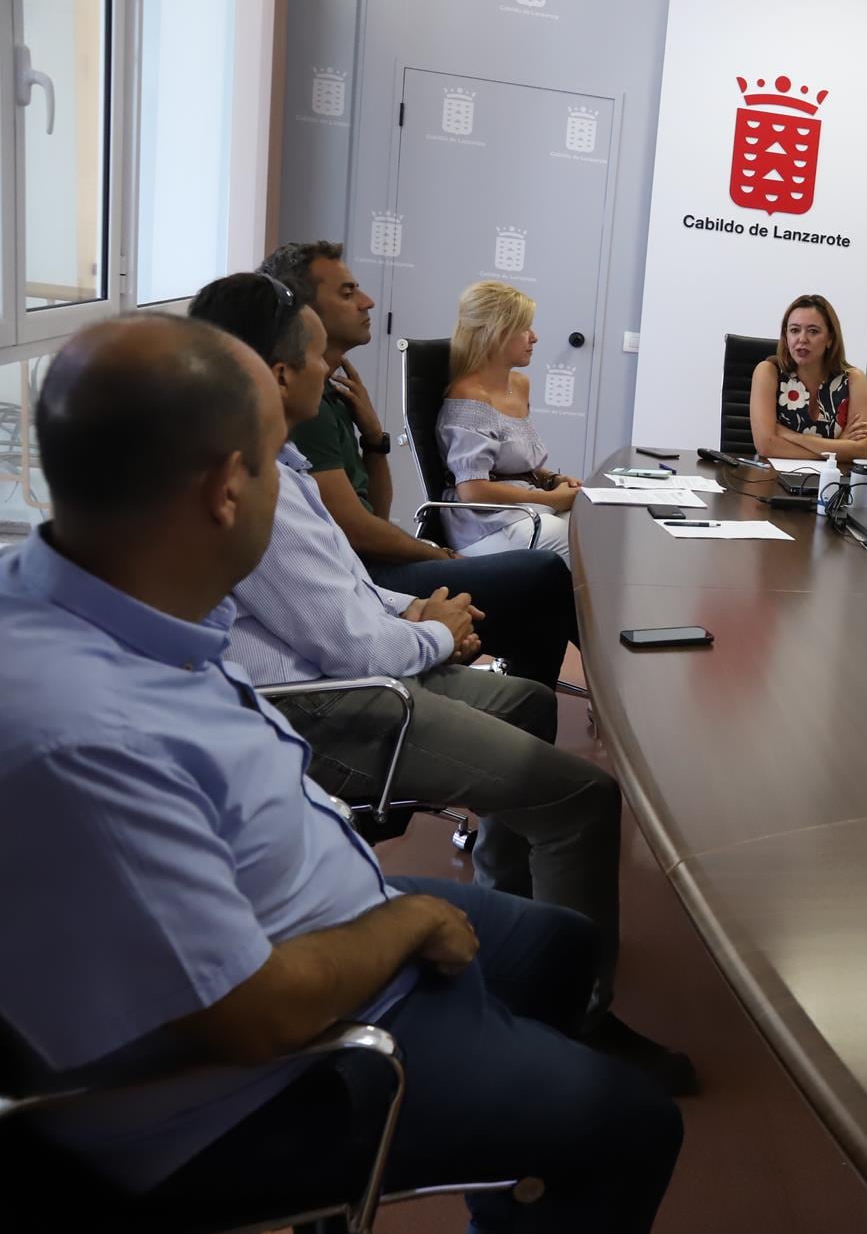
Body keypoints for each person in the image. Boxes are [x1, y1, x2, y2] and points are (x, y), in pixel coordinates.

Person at [0, 314, 679, 1229]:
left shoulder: (102, 601)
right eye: (278, 463)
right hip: (265, 1080)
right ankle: (510, 1125)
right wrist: (403, 922)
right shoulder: (83, 733)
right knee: (634, 1126)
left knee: (556, 949)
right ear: (226, 491)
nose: (296, 491)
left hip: (313, 918)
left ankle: (509, 1156)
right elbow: (251, 1014)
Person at [182, 274, 684, 1087]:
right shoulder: (251, 483)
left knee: (525, 698)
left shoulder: (281, 457)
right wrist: (430, 635)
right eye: (318, 357)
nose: (333, 373)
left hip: (359, 673)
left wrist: (416, 610)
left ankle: (516, 934)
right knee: (585, 800)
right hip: (335, 712)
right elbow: (344, 644)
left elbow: (344, 591)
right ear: (278, 374)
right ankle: (581, 1019)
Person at [259, 241, 578, 688]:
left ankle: (534, 691)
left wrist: (375, 440)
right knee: (544, 576)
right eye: (348, 292)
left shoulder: (333, 395)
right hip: (366, 570)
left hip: (369, 565)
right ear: (305, 310)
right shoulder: (303, 410)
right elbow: (357, 530)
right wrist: (433, 551)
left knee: (545, 579)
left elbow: (373, 510)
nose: (368, 301)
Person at [437, 281, 579, 564]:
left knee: (593, 525)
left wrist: (552, 480)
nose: (535, 337)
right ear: (494, 334)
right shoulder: (470, 398)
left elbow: (511, 462)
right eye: (524, 329)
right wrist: (553, 499)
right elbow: (472, 489)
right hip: (484, 524)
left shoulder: (519, 384)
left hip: (523, 507)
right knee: (579, 543)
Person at [750, 292, 867, 460]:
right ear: (786, 337)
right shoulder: (768, 372)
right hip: (771, 479)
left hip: (832, 482)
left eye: (813, 331)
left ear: (830, 338)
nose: (802, 339)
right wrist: (836, 451)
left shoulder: (853, 380)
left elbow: (860, 450)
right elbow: (766, 446)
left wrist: (794, 437)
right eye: (794, 330)